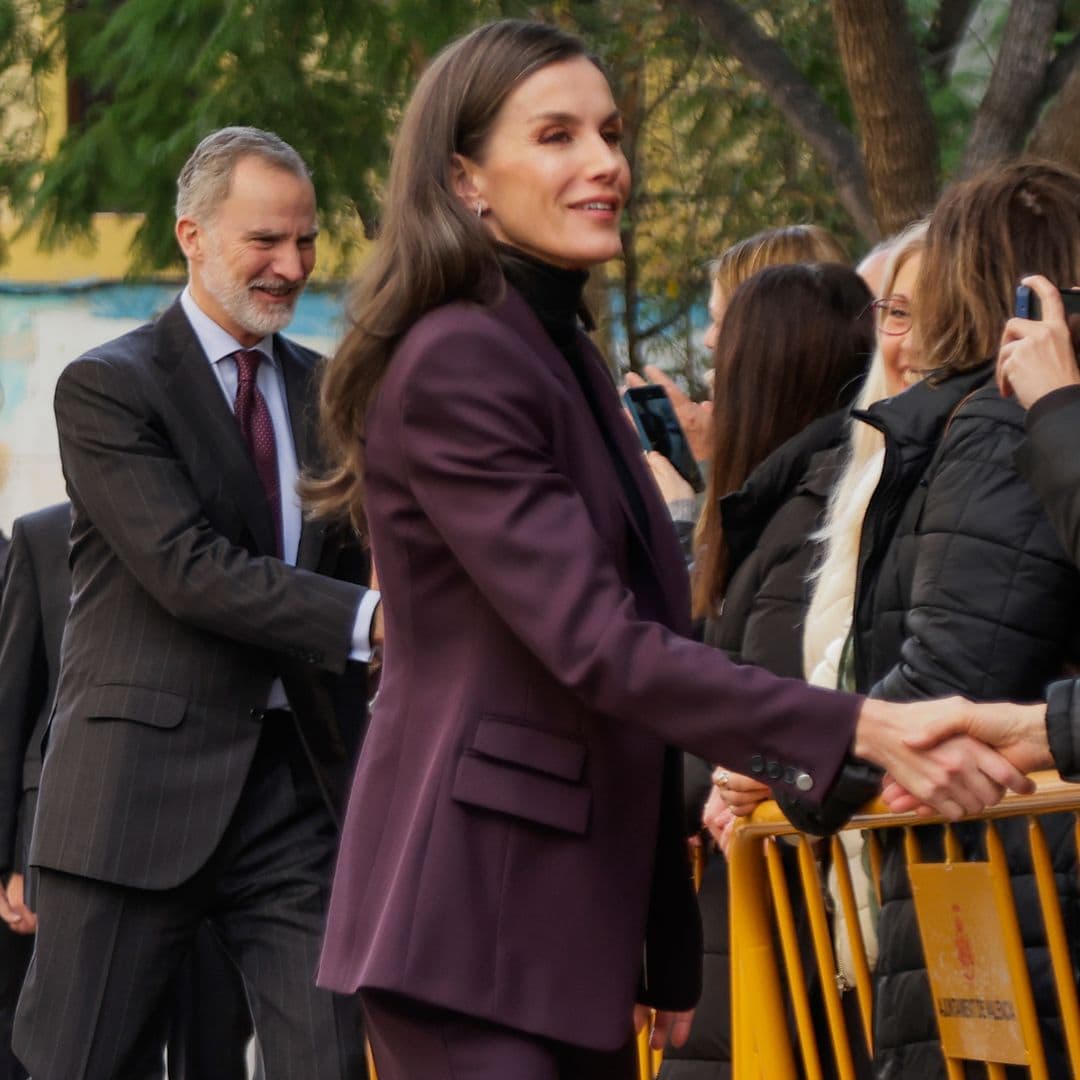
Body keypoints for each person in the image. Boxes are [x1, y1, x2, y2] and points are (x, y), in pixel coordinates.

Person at [308, 20, 1033, 1080]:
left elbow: (632, 665)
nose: (605, 161)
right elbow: (600, 649)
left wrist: (661, 945)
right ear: (464, 178)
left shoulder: (554, 346)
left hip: (558, 929)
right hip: (470, 926)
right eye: (556, 135)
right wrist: (868, 725)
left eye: (609, 132)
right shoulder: (461, 355)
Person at [12, 127, 375, 1080]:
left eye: (306, 240)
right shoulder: (107, 387)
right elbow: (188, 568)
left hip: (298, 797)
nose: (291, 265)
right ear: (193, 235)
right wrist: (369, 622)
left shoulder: (332, 394)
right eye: (266, 240)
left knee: (331, 1063)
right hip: (133, 798)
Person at [790, 163, 1080, 1079]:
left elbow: (949, 670)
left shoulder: (1003, 424)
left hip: (1021, 886)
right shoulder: (1002, 418)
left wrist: (802, 776)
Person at [656, 262, 874, 1080]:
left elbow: (754, 717)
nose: (711, 383)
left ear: (765, 377)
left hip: (772, 913)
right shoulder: (775, 511)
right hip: (748, 905)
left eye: (724, 356)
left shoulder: (805, 516)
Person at [0, 502, 263, 1080]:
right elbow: (16, 704)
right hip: (93, 831)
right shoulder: (39, 536)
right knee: (93, 1041)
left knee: (214, 1037)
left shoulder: (234, 532)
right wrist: (9, 860)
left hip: (223, 819)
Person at [627, 223, 849, 465]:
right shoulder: (838, 437)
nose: (709, 340)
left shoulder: (826, 463)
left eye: (722, 322)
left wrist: (712, 459)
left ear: (775, 336)